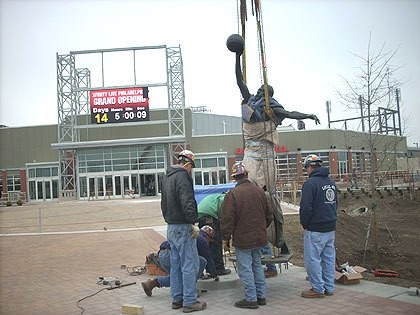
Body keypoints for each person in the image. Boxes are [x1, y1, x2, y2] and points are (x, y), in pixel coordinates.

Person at [221, 161, 273, 309]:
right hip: (259, 238)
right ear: (246, 175)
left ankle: (251, 299)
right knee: (257, 266)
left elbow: (227, 219)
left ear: (235, 177)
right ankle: (261, 296)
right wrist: (261, 229)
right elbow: (269, 216)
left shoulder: (233, 194)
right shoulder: (259, 191)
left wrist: (226, 238)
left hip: (243, 240)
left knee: (246, 269)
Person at [160, 149, 207, 312]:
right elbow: (187, 200)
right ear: (188, 164)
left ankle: (177, 298)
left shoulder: (167, 177)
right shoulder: (182, 176)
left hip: (171, 227)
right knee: (189, 264)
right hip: (183, 226)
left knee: (176, 265)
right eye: (191, 168)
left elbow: (163, 203)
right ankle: (189, 301)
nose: (191, 171)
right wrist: (193, 221)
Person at [234, 44, 321, 126]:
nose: (258, 91)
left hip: (264, 140)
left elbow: (290, 114)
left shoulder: (271, 108)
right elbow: (240, 82)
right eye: (259, 89)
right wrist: (237, 57)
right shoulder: (250, 100)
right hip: (249, 140)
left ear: (268, 95)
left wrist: (308, 115)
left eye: (262, 91)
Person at [300, 154, 338, 298]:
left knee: (313, 259)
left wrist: (305, 224)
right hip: (330, 226)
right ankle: (329, 287)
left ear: (309, 167)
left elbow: (306, 207)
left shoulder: (310, 184)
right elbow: (335, 203)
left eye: (306, 168)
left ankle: (317, 289)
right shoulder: (331, 182)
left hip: (315, 228)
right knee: (328, 259)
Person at [141, 226, 218, 297]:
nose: (209, 243)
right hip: (171, 255)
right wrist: (214, 274)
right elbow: (208, 260)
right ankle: (192, 288)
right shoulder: (202, 240)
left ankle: (151, 284)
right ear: (208, 236)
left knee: (177, 277)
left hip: (162, 255)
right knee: (202, 261)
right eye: (210, 240)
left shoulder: (191, 233)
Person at [197, 193, 232, 276]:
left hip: (202, 216)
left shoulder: (219, 197)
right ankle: (218, 269)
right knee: (215, 242)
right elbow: (224, 216)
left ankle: (208, 268)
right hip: (209, 216)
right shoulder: (225, 199)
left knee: (206, 243)